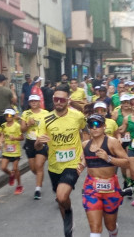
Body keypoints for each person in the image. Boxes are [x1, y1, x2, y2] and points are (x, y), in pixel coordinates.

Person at [35, 84, 86, 237]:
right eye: (56, 99)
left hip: (73, 163)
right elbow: (38, 147)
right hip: (54, 165)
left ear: (68, 100)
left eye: (62, 100)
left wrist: (85, 155)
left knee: (61, 196)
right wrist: (39, 142)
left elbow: (86, 132)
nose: (58, 102)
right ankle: (68, 228)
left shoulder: (77, 116)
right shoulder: (45, 119)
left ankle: (69, 213)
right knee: (60, 200)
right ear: (53, 99)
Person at [80, 114, 129, 237]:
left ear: (104, 127)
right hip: (91, 188)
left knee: (110, 226)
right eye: (91, 125)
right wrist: (80, 166)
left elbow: (127, 162)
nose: (94, 127)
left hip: (111, 188)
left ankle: (113, 233)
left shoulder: (112, 142)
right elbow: (83, 161)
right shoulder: (85, 145)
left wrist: (108, 158)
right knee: (95, 228)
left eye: (98, 124)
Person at [21, 95, 49, 199]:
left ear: (39, 102)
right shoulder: (25, 113)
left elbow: (50, 126)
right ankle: (39, 176)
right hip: (30, 142)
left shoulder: (45, 113)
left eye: (35, 101)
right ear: (29, 103)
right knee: (33, 168)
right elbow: (22, 130)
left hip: (41, 141)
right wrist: (28, 123)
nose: (33, 103)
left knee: (39, 165)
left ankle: (37, 189)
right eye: (31, 101)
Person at [1, 108, 24, 195]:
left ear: (14, 116)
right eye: (6, 115)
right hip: (6, 151)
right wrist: (1, 141)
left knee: (15, 168)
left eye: (10, 115)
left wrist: (14, 138)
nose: (8, 117)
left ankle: (19, 186)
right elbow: (2, 135)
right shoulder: (3, 125)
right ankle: (11, 174)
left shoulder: (17, 126)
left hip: (15, 151)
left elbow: (22, 138)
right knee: (3, 167)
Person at [111, 94, 132, 189]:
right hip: (119, 139)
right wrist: (118, 134)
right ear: (121, 103)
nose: (126, 104)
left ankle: (128, 183)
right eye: (124, 102)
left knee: (129, 161)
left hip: (131, 139)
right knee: (123, 163)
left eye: (128, 102)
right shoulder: (116, 112)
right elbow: (111, 125)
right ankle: (125, 181)